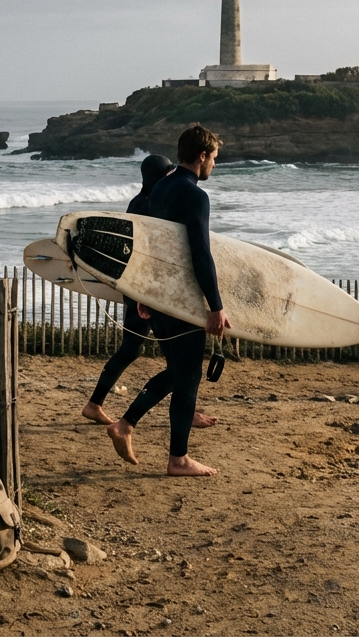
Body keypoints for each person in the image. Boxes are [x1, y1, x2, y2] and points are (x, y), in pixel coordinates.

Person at [107, 125, 229, 477]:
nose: (214, 167)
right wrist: (216, 306)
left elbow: (148, 244)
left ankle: (126, 425)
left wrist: (143, 293)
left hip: (157, 295)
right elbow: (200, 255)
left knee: (179, 371)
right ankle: (177, 459)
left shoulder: (160, 188)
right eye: (214, 159)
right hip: (180, 298)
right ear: (202, 156)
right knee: (187, 374)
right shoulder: (195, 196)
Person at [81, 155, 220, 430]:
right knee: (174, 364)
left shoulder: (139, 200)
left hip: (138, 287)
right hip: (147, 290)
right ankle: (101, 407)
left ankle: (98, 404)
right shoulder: (152, 204)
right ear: (165, 174)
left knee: (143, 353)